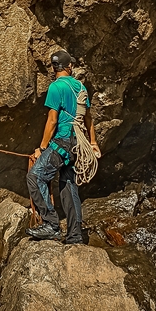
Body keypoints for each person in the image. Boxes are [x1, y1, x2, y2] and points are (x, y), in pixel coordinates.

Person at [26, 50, 100, 244]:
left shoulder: (56, 87)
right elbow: (88, 117)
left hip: (63, 140)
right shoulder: (80, 87)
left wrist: (41, 149)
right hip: (78, 143)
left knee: (35, 177)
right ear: (69, 67)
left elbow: (52, 121)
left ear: (54, 68)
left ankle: (51, 224)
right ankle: (75, 236)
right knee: (68, 185)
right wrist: (93, 142)